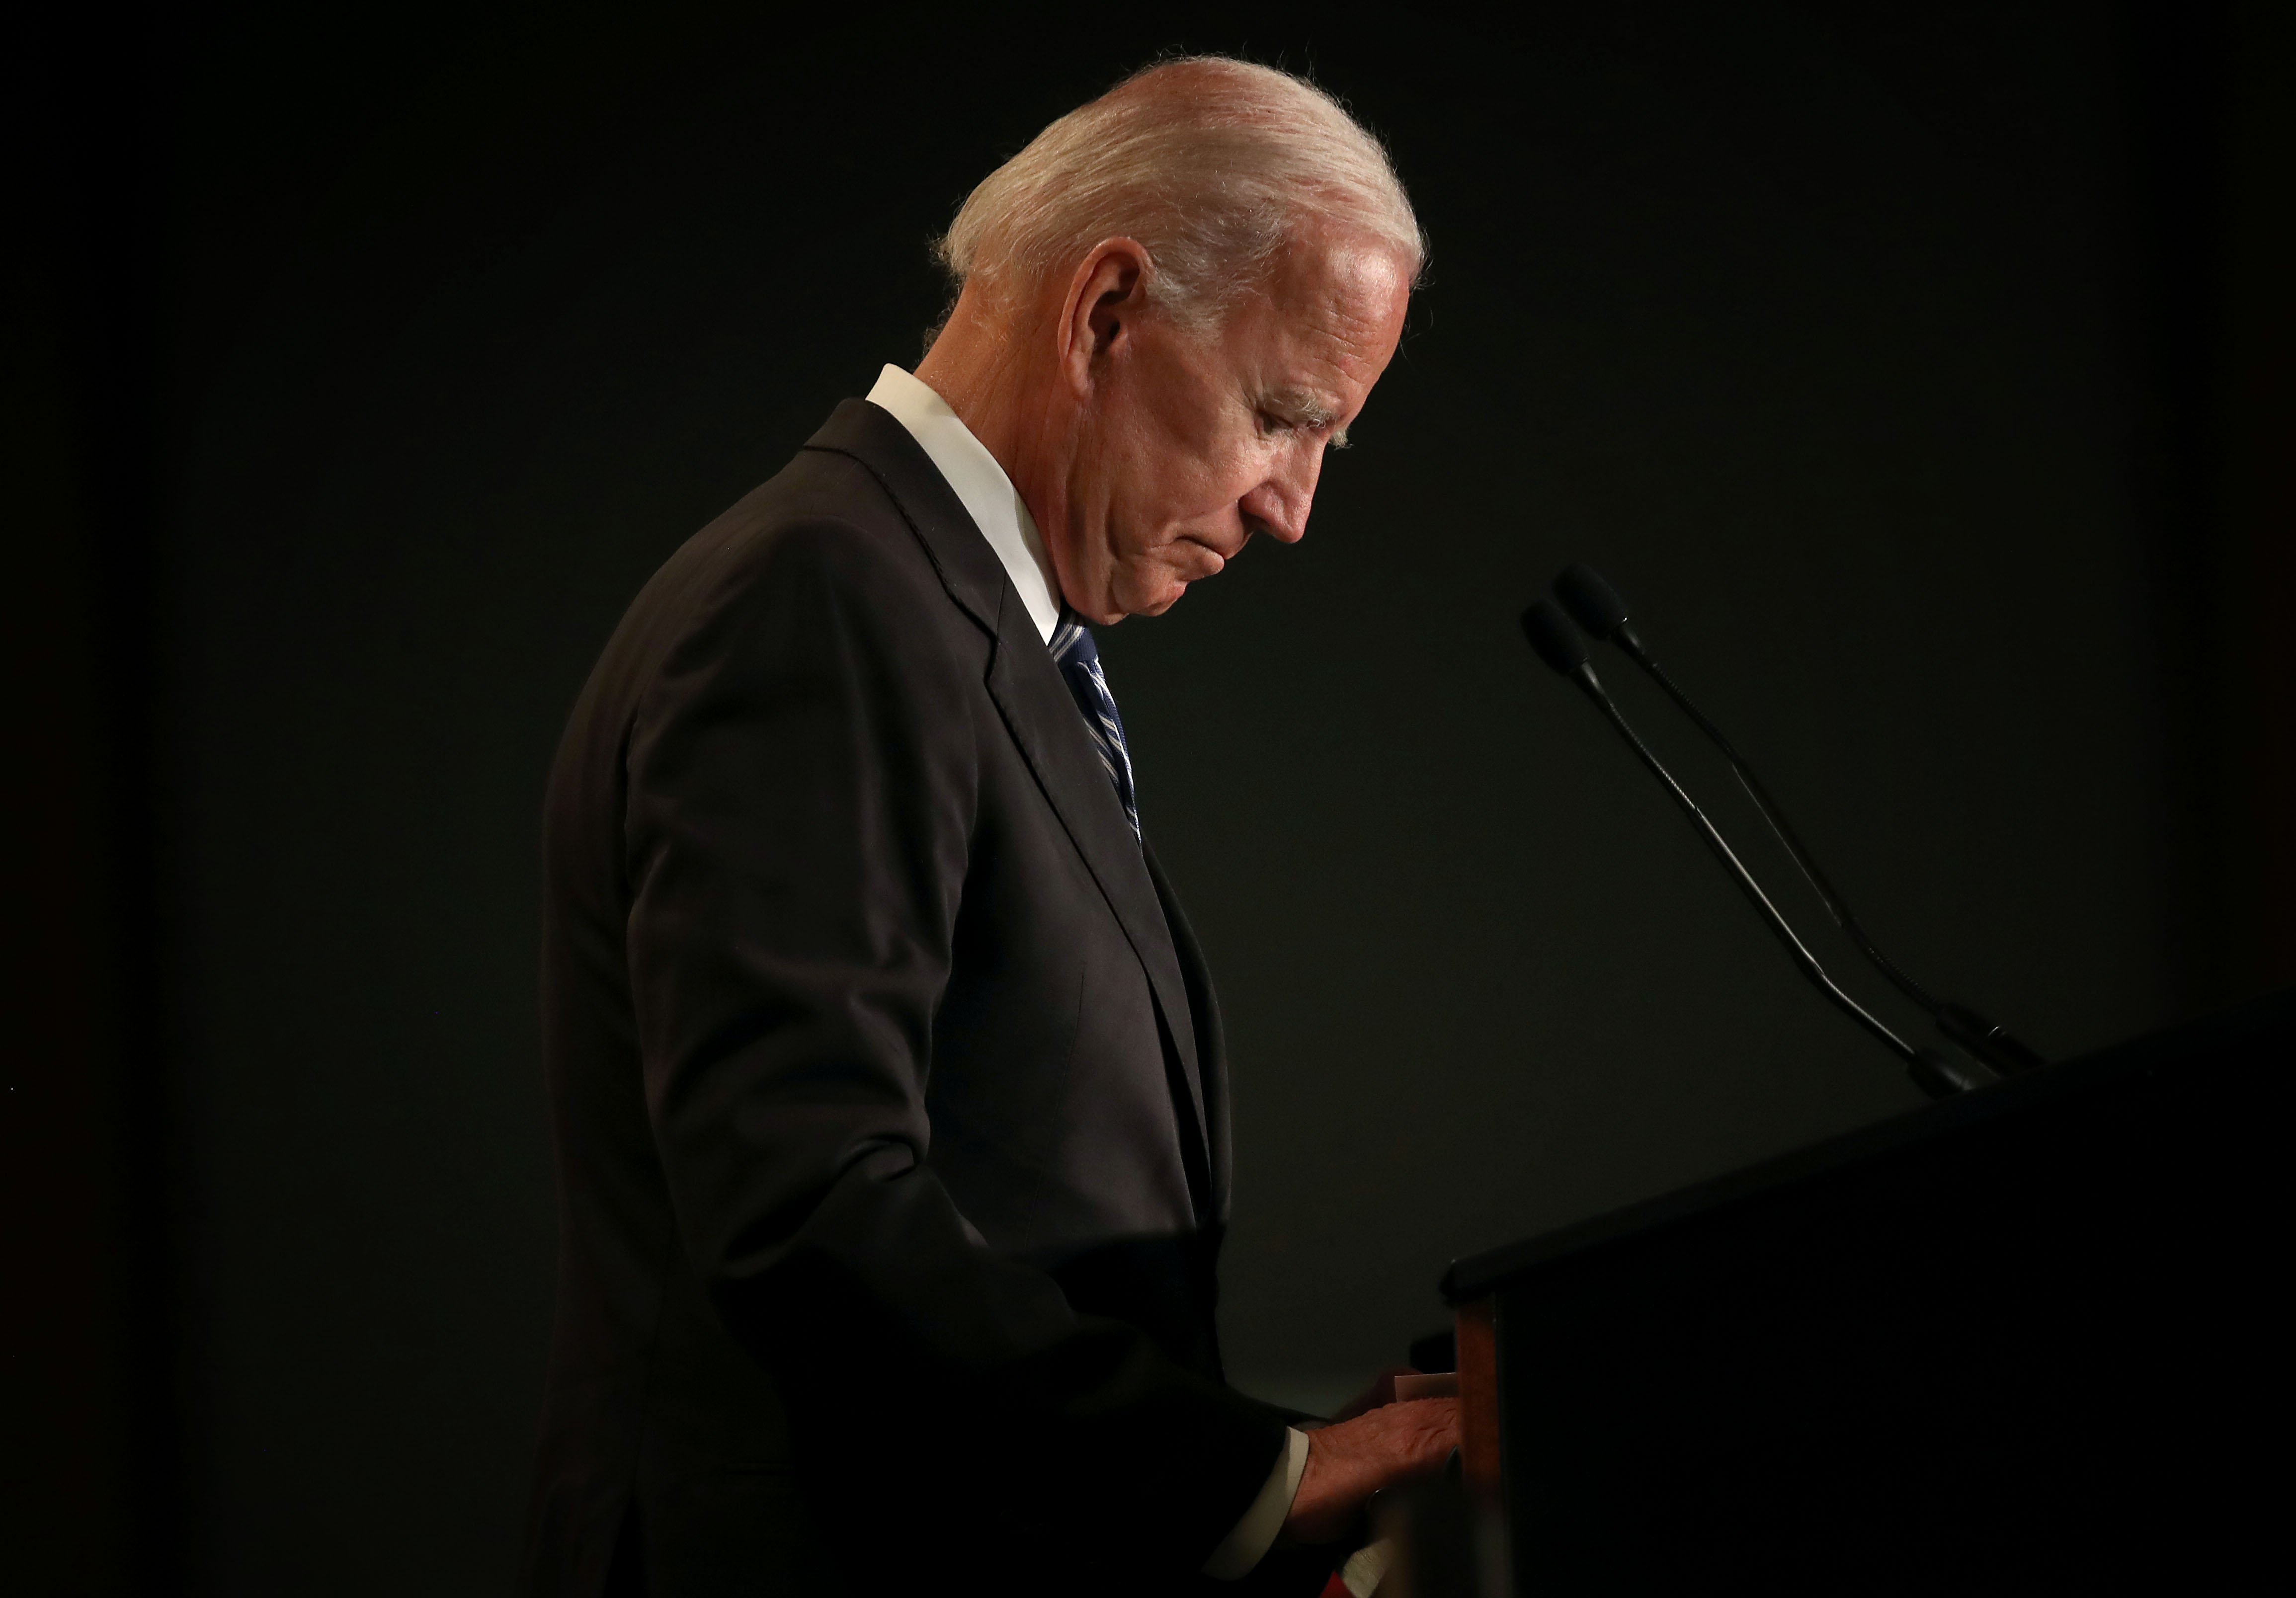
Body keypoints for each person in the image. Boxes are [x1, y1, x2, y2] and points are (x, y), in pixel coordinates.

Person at [520, 56, 1458, 1598]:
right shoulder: (820, 600)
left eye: (1325, 445)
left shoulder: (955, 619)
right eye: (1284, 418)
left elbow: (1011, 1207)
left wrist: (1259, 1478)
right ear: (1103, 313)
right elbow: (805, 1201)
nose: (1291, 506)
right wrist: (1254, 1478)